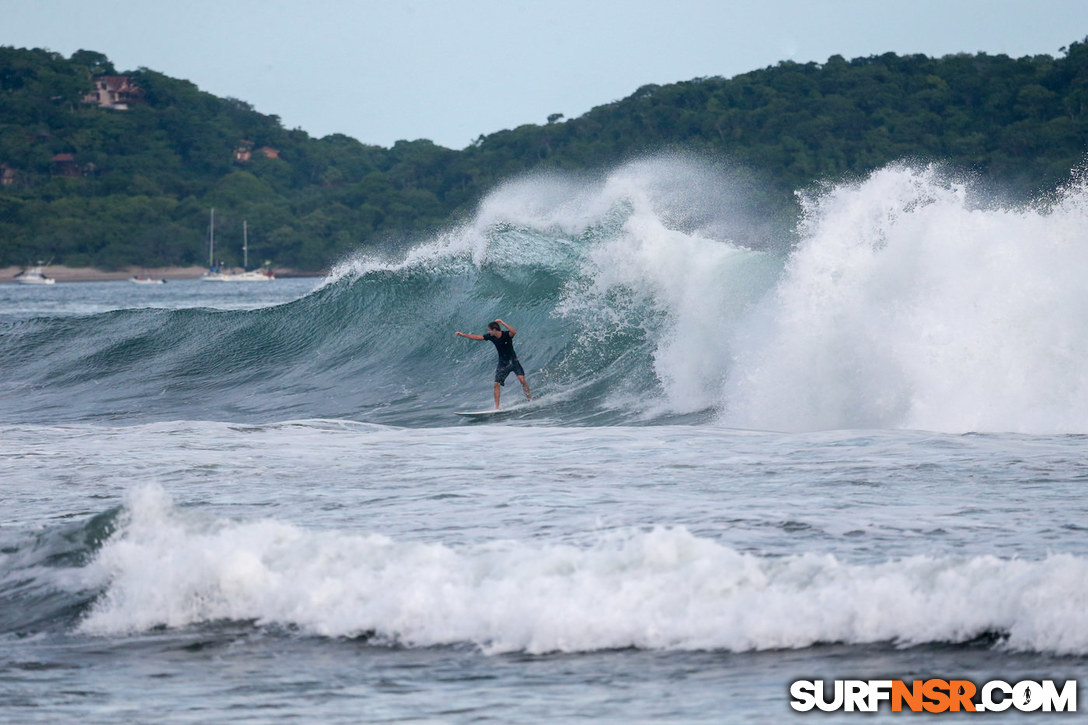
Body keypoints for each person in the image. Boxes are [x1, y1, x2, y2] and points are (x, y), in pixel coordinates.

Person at [455, 318, 533, 409]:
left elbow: (514, 332)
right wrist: (463, 335)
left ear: (494, 330)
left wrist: (503, 323)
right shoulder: (491, 336)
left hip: (513, 361)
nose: (488, 332)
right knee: (496, 384)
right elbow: (477, 337)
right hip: (503, 363)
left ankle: (530, 399)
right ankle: (497, 407)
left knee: (522, 381)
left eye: (489, 330)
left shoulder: (506, 335)